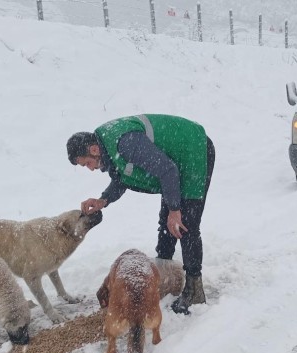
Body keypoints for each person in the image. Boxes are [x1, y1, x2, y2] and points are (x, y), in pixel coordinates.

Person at [66, 114, 215, 315]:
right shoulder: (109, 147)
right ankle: (166, 278)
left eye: (87, 164)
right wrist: (103, 200)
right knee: (167, 224)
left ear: (94, 150)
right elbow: (122, 178)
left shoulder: (125, 142)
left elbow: (167, 170)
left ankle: (195, 290)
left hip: (194, 150)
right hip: (175, 162)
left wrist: (174, 210)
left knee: (185, 223)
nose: (90, 169)